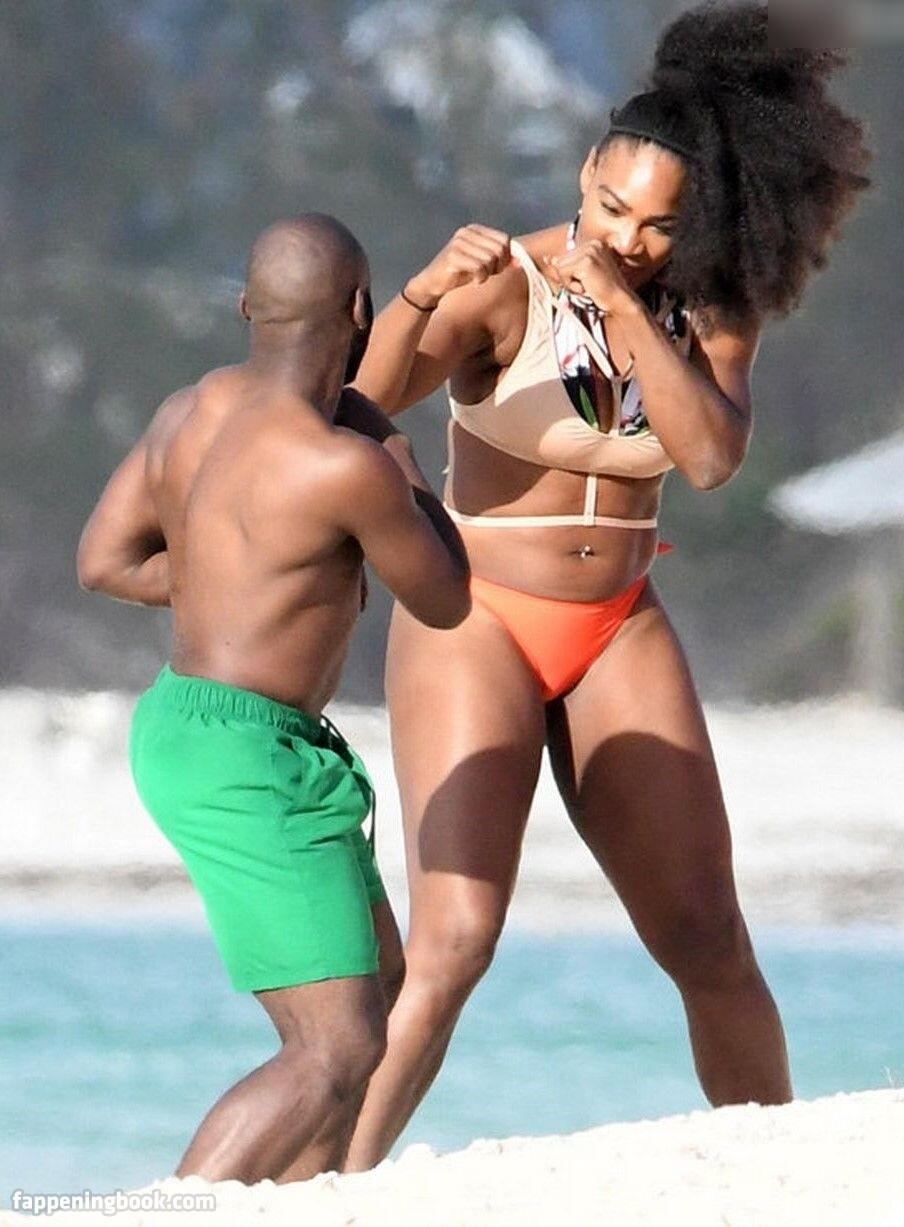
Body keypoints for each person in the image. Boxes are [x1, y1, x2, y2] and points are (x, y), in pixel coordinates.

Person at [344, 2, 871, 1169]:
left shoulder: (711, 307)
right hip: (478, 616)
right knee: (456, 943)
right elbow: (361, 408)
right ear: (585, 174)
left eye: (657, 224)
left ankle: (777, 1177)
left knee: (709, 939)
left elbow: (710, 457)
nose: (625, 236)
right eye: (610, 206)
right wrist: (423, 294)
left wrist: (628, 308)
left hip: (618, 623)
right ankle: (331, 1186)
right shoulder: (506, 285)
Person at [76, 213, 470, 1184]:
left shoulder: (190, 409)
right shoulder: (348, 465)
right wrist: (398, 453)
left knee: (377, 985)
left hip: (189, 721)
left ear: (246, 307)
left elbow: (104, 561)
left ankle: (298, 1204)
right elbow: (446, 596)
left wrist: (227, 581)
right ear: (361, 311)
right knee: (334, 1047)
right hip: (247, 755)